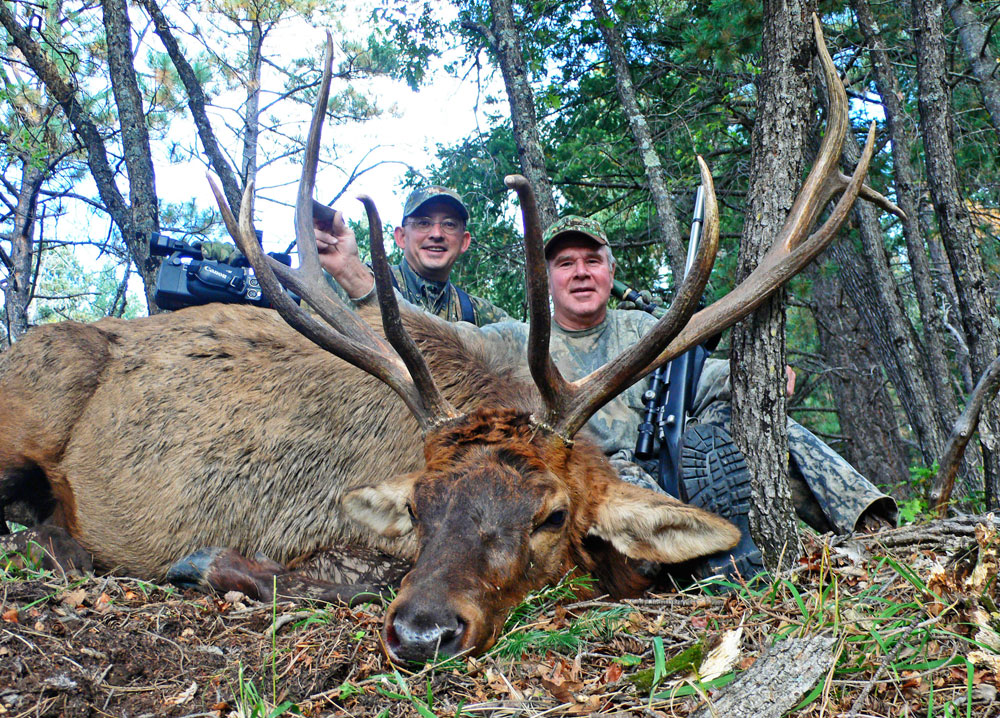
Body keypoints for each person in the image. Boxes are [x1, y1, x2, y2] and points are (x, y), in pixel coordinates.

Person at [325, 213, 898, 577]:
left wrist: (768, 382)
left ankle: (877, 529)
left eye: (591, 261)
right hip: (595, 482)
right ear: (548, 278)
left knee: (772, 431)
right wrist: (354, 275)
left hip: (682, 455)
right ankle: (708, 578)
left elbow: (715, 378)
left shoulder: (651, 334)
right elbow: (433, 335)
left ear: (608, 270)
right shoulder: (513, 340)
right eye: (565, 263)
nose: (579, 272)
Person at [312, 185, 510, 326]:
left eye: (449, 224)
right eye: (423, 223)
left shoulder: (481, 316)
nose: (437, 234)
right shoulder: (339, 287)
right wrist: (348, 271)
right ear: (401, 236)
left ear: (464, 241)